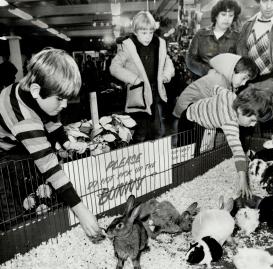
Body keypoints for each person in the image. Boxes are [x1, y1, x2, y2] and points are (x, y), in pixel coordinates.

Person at [0, 48, 101, 238]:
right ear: (37, 90)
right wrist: (81, 211)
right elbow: (49, 166)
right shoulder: (25, 120)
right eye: (60, 99)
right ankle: (18, 238)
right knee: (10, 207)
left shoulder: (33, 93)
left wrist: (66, 142)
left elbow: (50, 118)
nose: (64, 105)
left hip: (14, 142)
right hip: (4, 154)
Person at [178, 86, 273, 198]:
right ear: (240, 110)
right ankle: (184, 184)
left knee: (199, 152)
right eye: (252, 120)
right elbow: (237, 151)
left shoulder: (230, 95)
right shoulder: (229, 123)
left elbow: (215, 88)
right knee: (187, 157)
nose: (253, 125)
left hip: (199, 118)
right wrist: (243, 180)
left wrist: (208, 104)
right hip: (189, 121)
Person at [110, 11, 175, 143]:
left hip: (154, 93)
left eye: (151, 32)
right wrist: (134, 79)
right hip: (137, 96)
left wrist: (165, 76)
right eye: (144, 33)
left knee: (157, 131)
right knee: (139, 133)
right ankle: (141, 160)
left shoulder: (159, 45)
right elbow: (114, 67)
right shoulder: (128, 46)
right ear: (135, 31)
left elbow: (168, 63)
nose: (148, 37)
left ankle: (155, 160)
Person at [173, 53, 259, 119]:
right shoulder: (219, 81)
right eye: (244, 78)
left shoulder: (224, 79)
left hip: (192, 110)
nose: (244, 83)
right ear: (234, 70)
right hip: (186, 114)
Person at [186, 0, 241, 78]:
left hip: (226, 84)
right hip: (202, 82)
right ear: (216, 16)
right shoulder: (200, 34)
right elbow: (190, 60)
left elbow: (241, 63)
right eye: (223, 14)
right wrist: (207, 71)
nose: (227, 19)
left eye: (231, 15)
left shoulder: (237, 37)